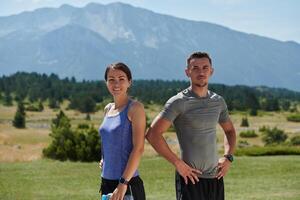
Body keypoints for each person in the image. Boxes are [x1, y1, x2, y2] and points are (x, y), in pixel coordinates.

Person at [146, 52, 236, 200]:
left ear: (211, 71)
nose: (201, 72)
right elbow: (152, 134)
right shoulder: (178, 101)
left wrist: (228, 157)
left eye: (205, 67)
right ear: (187, 72)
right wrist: (178, 164)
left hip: (216, 178)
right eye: (195, 68)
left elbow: (230, 131)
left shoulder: (218, 101)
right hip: (190, 179)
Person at [99, 62, 146, 200]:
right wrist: (103, 158)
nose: (116, 84)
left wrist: (123, 183)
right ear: (106, 82)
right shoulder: (107, 109)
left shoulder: (135, 108)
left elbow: (139, 148)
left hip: (127, 183)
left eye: (121, 79)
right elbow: (107, 138)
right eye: (111, 79)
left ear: (129, 82)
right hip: (106, 181)